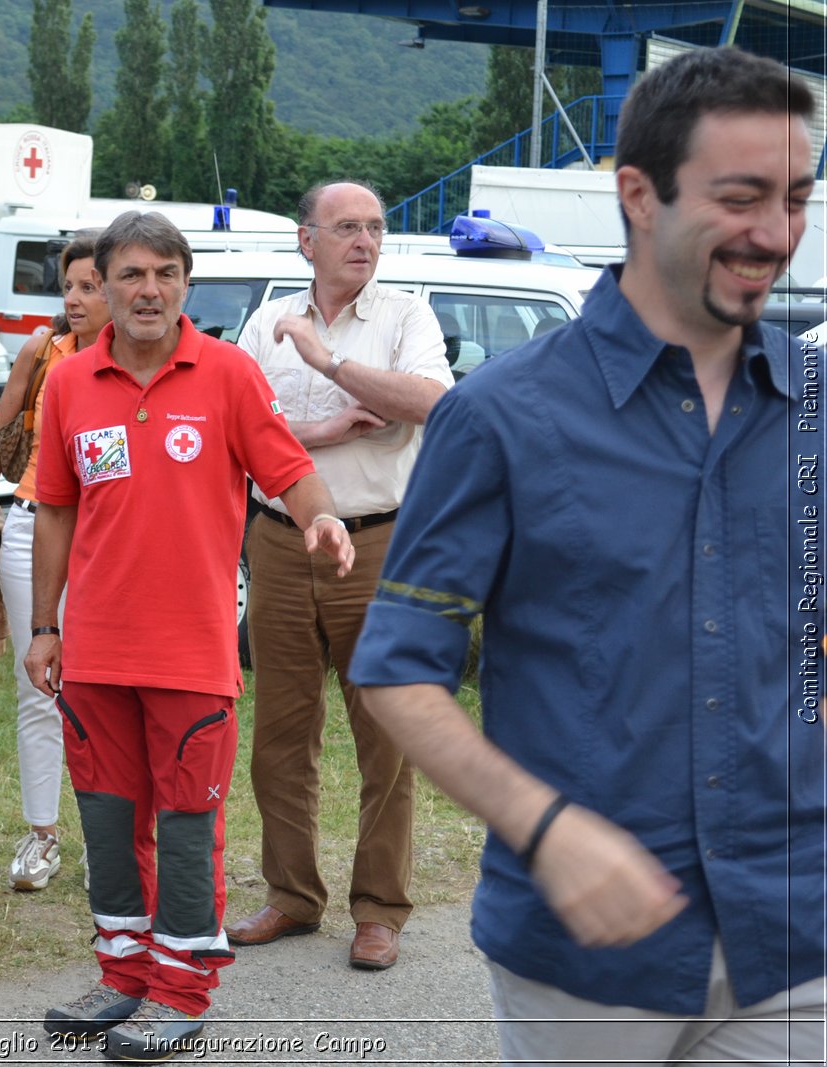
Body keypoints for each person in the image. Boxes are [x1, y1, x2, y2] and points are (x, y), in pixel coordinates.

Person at [350, 46, 825, 1064]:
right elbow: (397, 666)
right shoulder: (501, 417)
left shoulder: (817, 407)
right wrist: (547, 825)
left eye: (796, 197)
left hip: (794, 936)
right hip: (585, 962)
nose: (775, 233)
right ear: (637, 194)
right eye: (741, 197)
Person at [25, 212, 354, 1061]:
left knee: (183, 829)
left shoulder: (228, 373)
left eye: (166, 273)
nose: (149, 290)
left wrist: (322, 521)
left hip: (192, 655)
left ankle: (181, 988)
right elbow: (56, 509)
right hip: (95, 652)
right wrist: (42, 625)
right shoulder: (69, 384)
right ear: (102, 283)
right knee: (107, 823)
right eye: (130, 274)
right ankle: (123, 971)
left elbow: (290, 469)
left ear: (185, 284)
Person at [223, 180, 452, 971]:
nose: (365, 240)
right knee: (281, 734)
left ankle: (379, 909)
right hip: (281, 540)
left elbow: (428, 401)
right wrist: (327, 425)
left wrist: (332, 363)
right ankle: (291, 895)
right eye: (346, 226)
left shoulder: (404, 315)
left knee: (384, 731)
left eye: (375, 227)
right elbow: (240, 427)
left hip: (381, 540)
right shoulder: (262, 322)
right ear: (305, 238)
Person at [0, 231, 110, 891]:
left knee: (109, 690)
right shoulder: (43, 349)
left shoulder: (141, 362)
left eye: (90, 285)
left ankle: (115, 839)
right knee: (41, 687)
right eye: (70, 285)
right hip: (33, 525)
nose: (75, 298)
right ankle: (42, 836)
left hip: (111, 536)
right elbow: (3, 435)